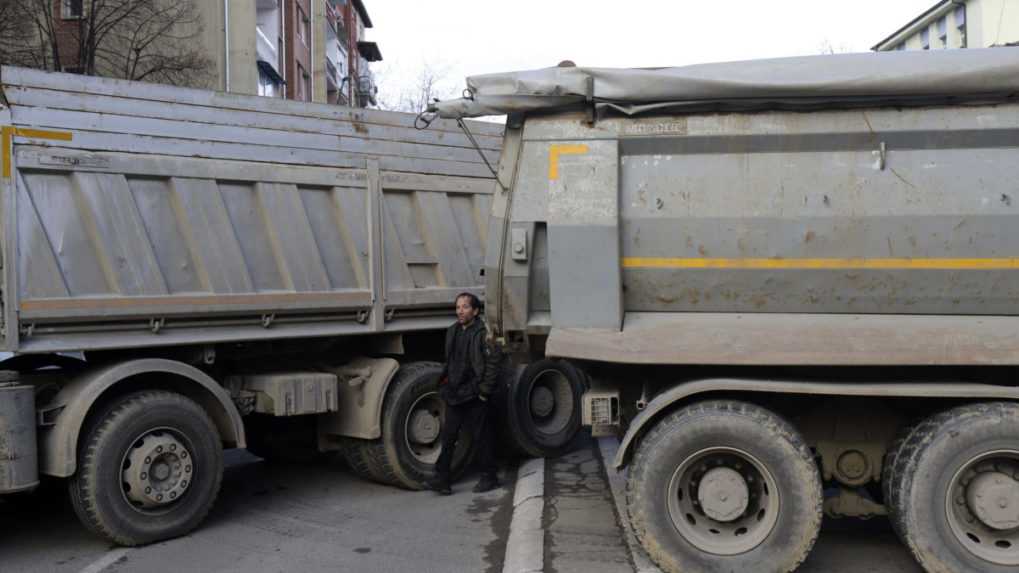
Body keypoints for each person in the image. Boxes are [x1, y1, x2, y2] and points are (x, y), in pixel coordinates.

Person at [425, 292, 501, 495]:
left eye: (465, 307)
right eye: (458, 307)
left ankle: (489, 477)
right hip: (455, 393)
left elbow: (494, 363)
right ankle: (442, 480)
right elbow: (450, 360)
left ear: (475, 311)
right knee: (449, 437)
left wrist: (484, 391)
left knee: (480, 437)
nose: (460, 311)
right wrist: (444, 383)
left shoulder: (485, 333)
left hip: (475, 393)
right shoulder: (452, 331)